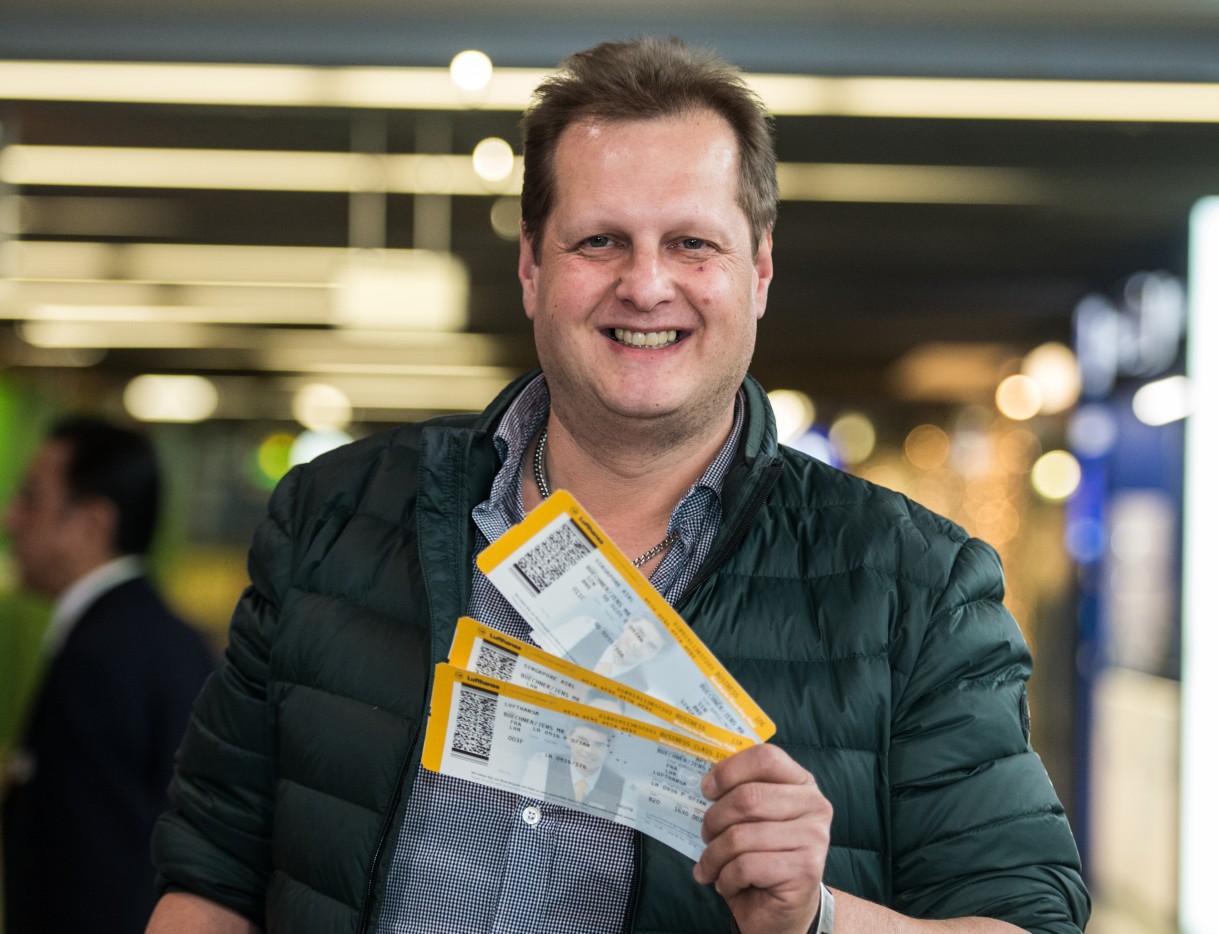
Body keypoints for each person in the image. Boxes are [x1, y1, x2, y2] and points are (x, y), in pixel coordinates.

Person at [147, 36, 1089, 934]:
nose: (645, 285)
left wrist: (818, 916)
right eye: (600, 241)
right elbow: (210, 877)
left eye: (692, 244)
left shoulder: (915, 588)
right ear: (530, 266)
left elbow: (1026, 916)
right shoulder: (334, 520)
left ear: (758, 271)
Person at [2, 417, 214, 934]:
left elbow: (89, 865)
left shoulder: (97, 656)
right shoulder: (168, 637)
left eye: (31, 499)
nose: (11, 518)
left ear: (93, 524)